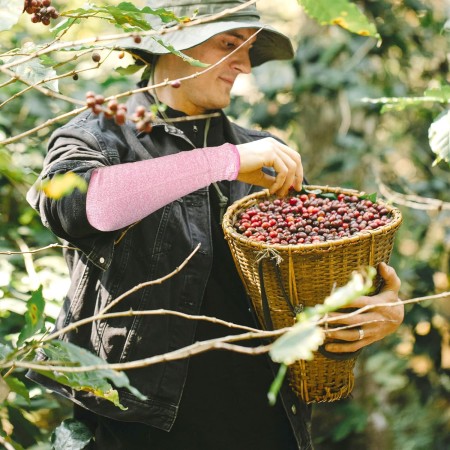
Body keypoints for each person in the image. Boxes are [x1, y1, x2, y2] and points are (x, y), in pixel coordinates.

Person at [26, 1, 404, 449]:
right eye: (229, 45)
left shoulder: (264, 153)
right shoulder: (100, 134)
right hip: (140, 433)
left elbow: (310, 274)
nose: (244, 65)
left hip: (267, 427)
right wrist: (224, 162)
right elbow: (79, 209)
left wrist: (377, 309)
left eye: (248, 50)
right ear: (172, 43)